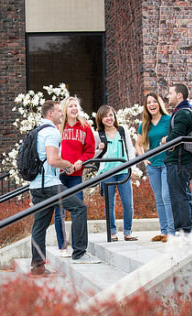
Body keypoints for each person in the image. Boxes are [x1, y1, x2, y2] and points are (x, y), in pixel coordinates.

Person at [29, 100, 100, 275]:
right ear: (50, 114)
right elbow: (53, 160)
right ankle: (79, 253)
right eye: (59, 111)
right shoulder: (52, 131)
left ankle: (37, 267)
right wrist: (68, 165)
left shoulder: (37, 131)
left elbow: (47, 159)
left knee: (40, 224)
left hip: (36, 185)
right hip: (51, 185)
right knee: (79, 208)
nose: (62, 113)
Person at [54, 96, 95, 257]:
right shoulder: (58, 127)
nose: (74, 108)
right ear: (65, 109)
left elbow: (90, 151)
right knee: (60, 211)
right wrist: (63, 164)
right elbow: (52, 150)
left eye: (76, 105)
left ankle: (78, 246)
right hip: (60, 175)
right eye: (70, 106)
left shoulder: (85, 127)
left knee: (78, 209)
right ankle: (63, 246)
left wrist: (81, 161)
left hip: (76, 175)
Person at [94, 105, 138, 242]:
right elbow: (93, 155)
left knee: (128, 202)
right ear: (101, 119)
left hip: (124, 170)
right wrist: (98, 148)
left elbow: (130, 150)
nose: (109, 118)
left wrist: (132, 168)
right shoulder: (97, 135)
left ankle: (127, 231)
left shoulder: (122, 130)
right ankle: (112, 232)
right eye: (105, 116)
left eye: (111, 115)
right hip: (107, 172)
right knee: (110, 203)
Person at [136, 92, 175, 243]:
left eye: (154, 102)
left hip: (167, 163)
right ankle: (163, 231)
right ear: (146, 107)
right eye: (149, 103)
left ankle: (171, 232)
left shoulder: (169, 120)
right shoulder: (144, 124)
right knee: (159, 199)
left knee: (166, 196)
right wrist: (144, 159)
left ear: (159, 104)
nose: (152, 105)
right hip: (153, 166)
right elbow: (138, 144)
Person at [161, 84, 192, 234]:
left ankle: (186, 232)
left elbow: (177, 137)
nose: (168, 96)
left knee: (179, 197)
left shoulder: (182, 113)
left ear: (179, 96)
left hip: (179, 162)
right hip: (179, 162)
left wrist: (165, 140)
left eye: (170, 93)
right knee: (181, 196)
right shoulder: (182, 112)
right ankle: (186, 231)